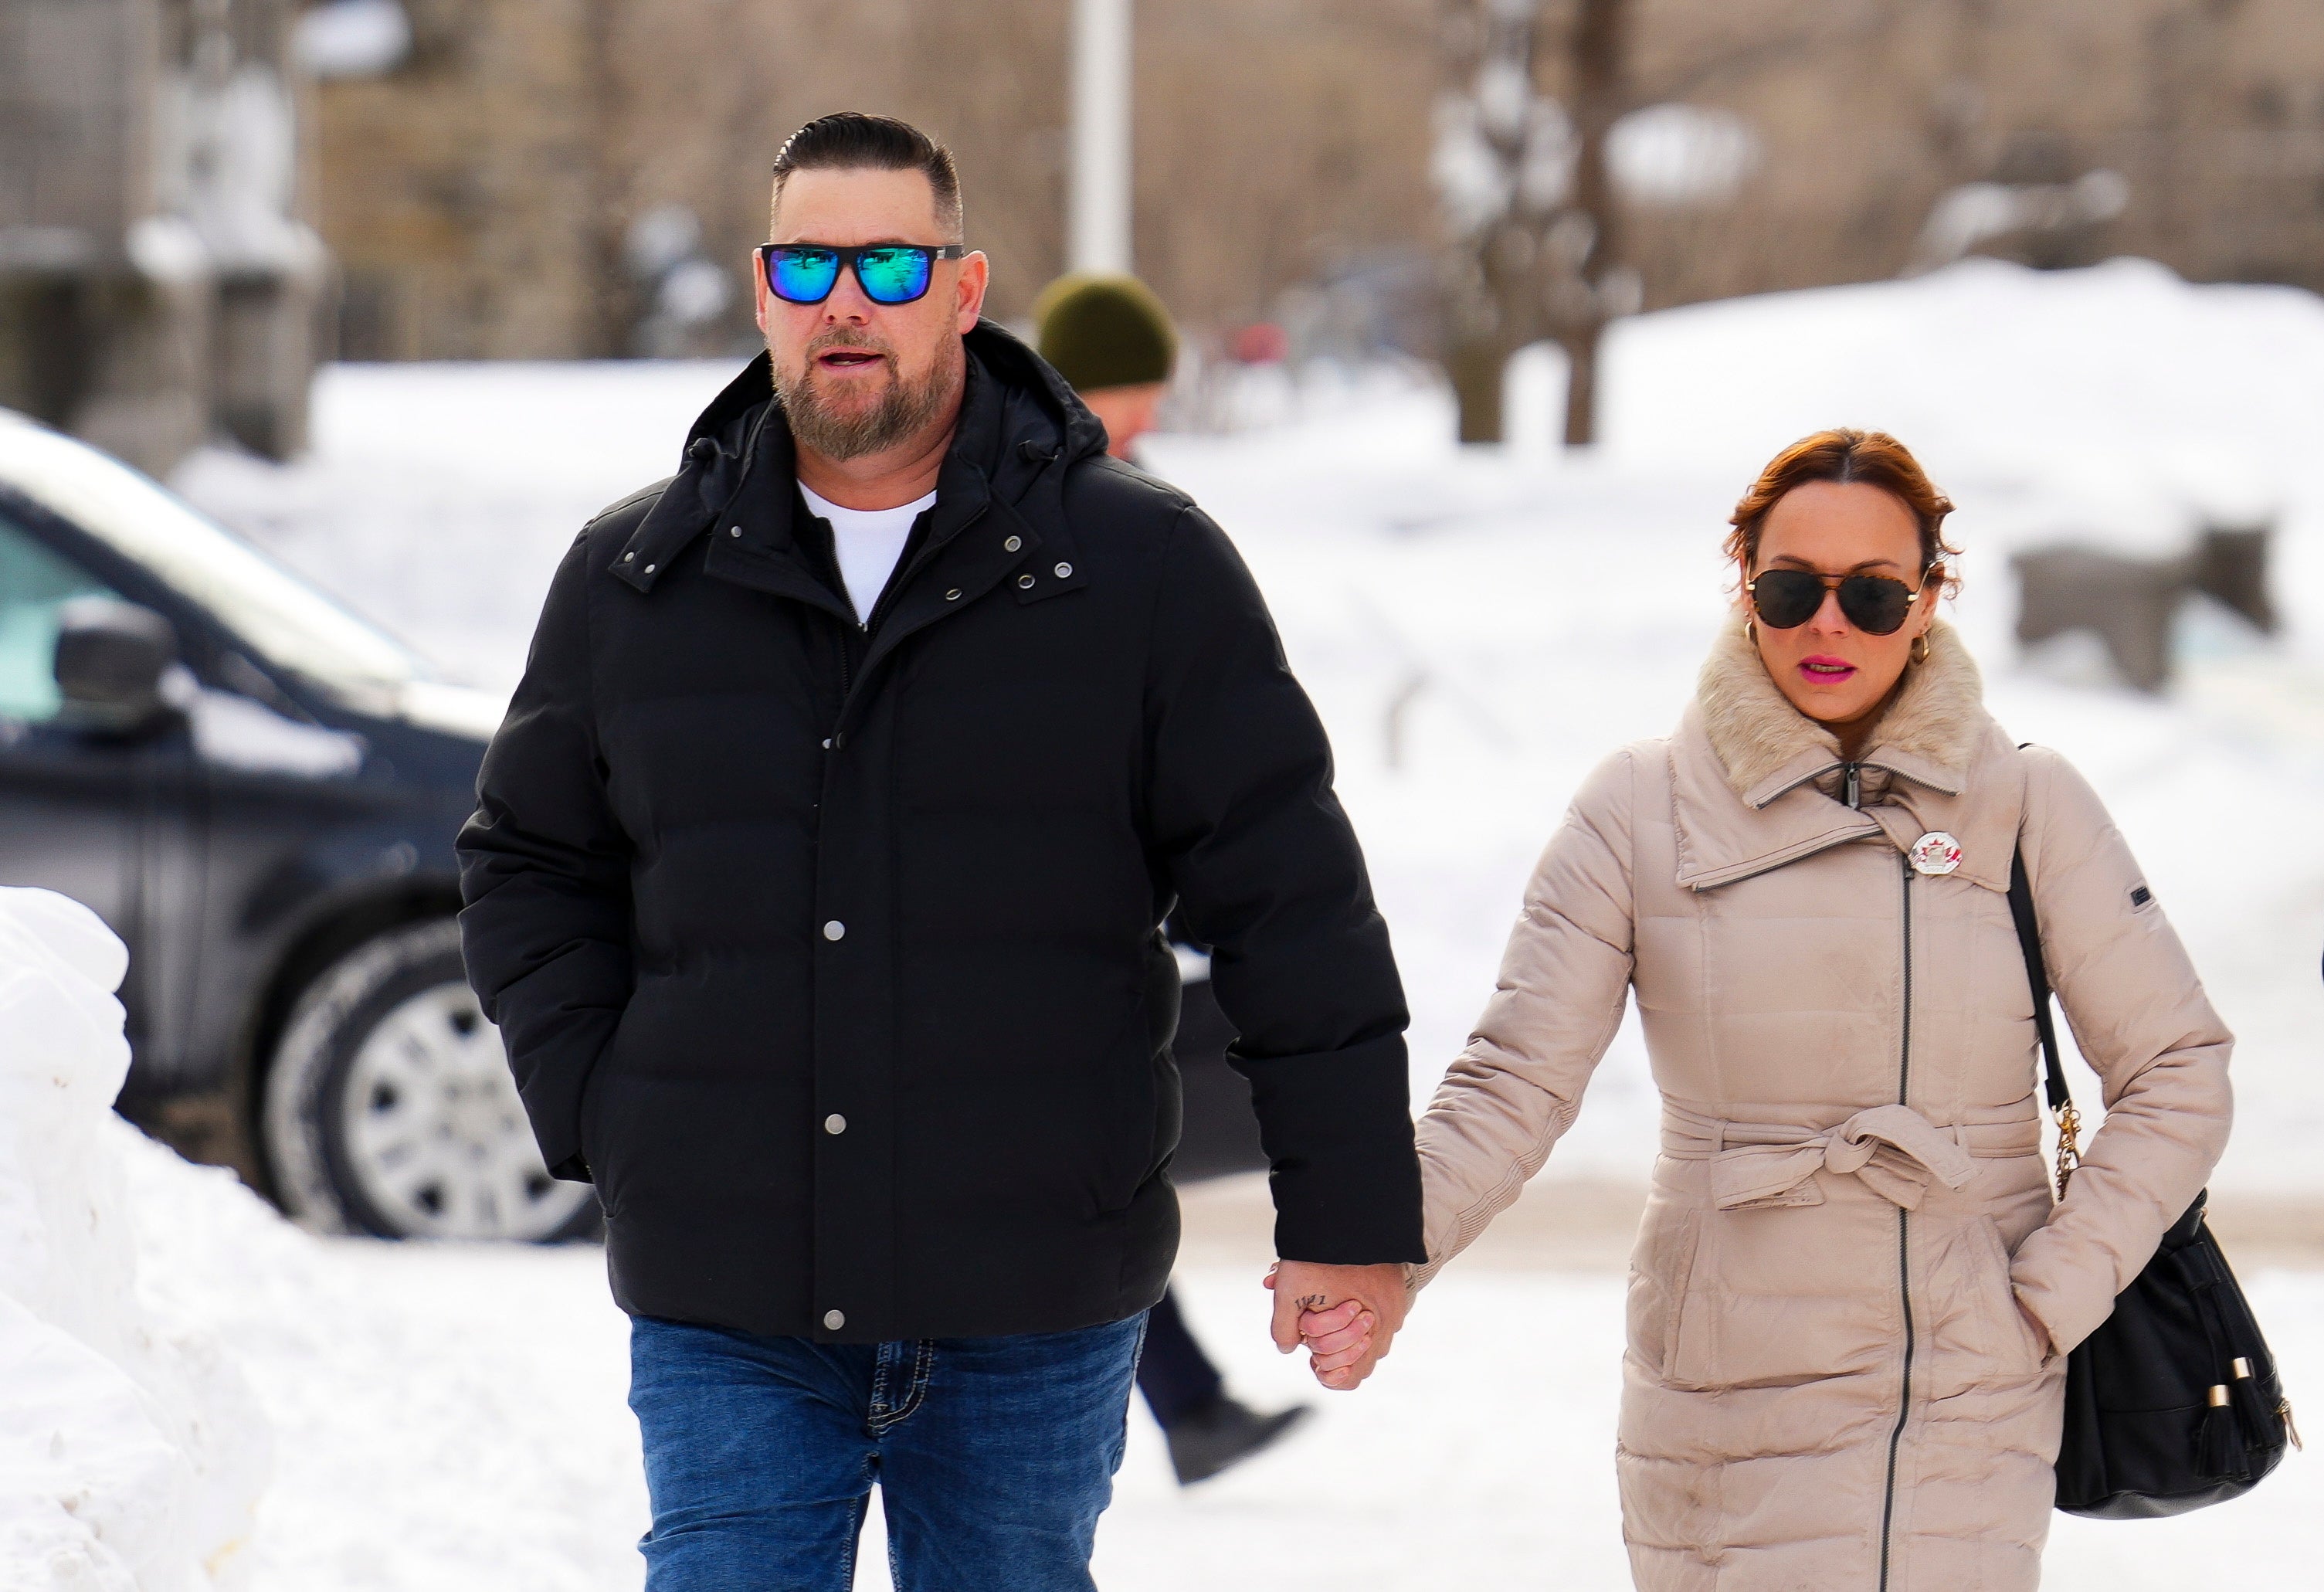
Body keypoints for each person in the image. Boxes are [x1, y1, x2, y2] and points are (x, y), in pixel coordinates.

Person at [456, 112, 1421, 1592]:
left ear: (963, 292)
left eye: (891, 261)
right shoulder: (637, 576)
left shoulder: (1139, 570)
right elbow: (529, 860)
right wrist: (608, 1113)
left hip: (1031, 1297)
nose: (848, 299)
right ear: (765, 290)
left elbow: (1291, 903)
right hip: (729, 1291)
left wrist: (1347, 1218)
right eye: (809, 261)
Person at [1302, 429, 2233, 1590]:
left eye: (1873, 594)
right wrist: (1381, 1254)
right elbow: (1514, 1078)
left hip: (1961, 1393)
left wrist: (2044, 1299)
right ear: (1741, 578)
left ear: (1931, 598)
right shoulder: (1638, 808)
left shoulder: (2028, 803)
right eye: (1790, 588)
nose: (1826, 625)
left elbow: (2177, 1068)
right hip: (1723, 1389)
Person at [1032, 270, 1312, 1486]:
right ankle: (1178, 1410)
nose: (1141, 423)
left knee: (1084, 1189)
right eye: (1129, 400)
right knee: (1075, 1192)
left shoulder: (1115, 512)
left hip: (1082, 924)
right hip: (1034, 931)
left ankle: (1185, 1408)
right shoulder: (1042, 508)